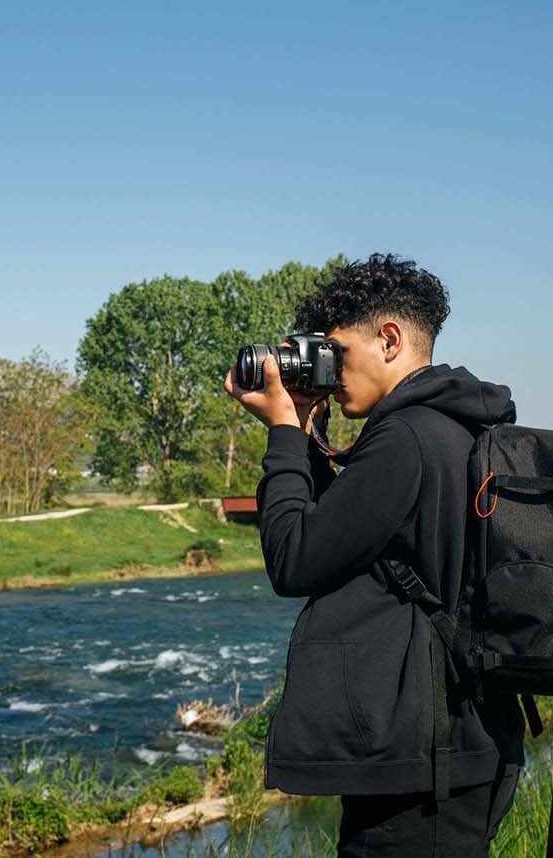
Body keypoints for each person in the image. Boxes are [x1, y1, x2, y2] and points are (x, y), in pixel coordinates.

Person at [224, 254, 526, 857]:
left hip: (420, 766)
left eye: (337, 352)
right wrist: (305, 428)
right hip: (459, 744)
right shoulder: (455, 425)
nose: (331, 372)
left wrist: (282, 433)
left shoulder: (404, 438)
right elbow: (349, 536)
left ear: (389, 339)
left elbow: (296, 559)